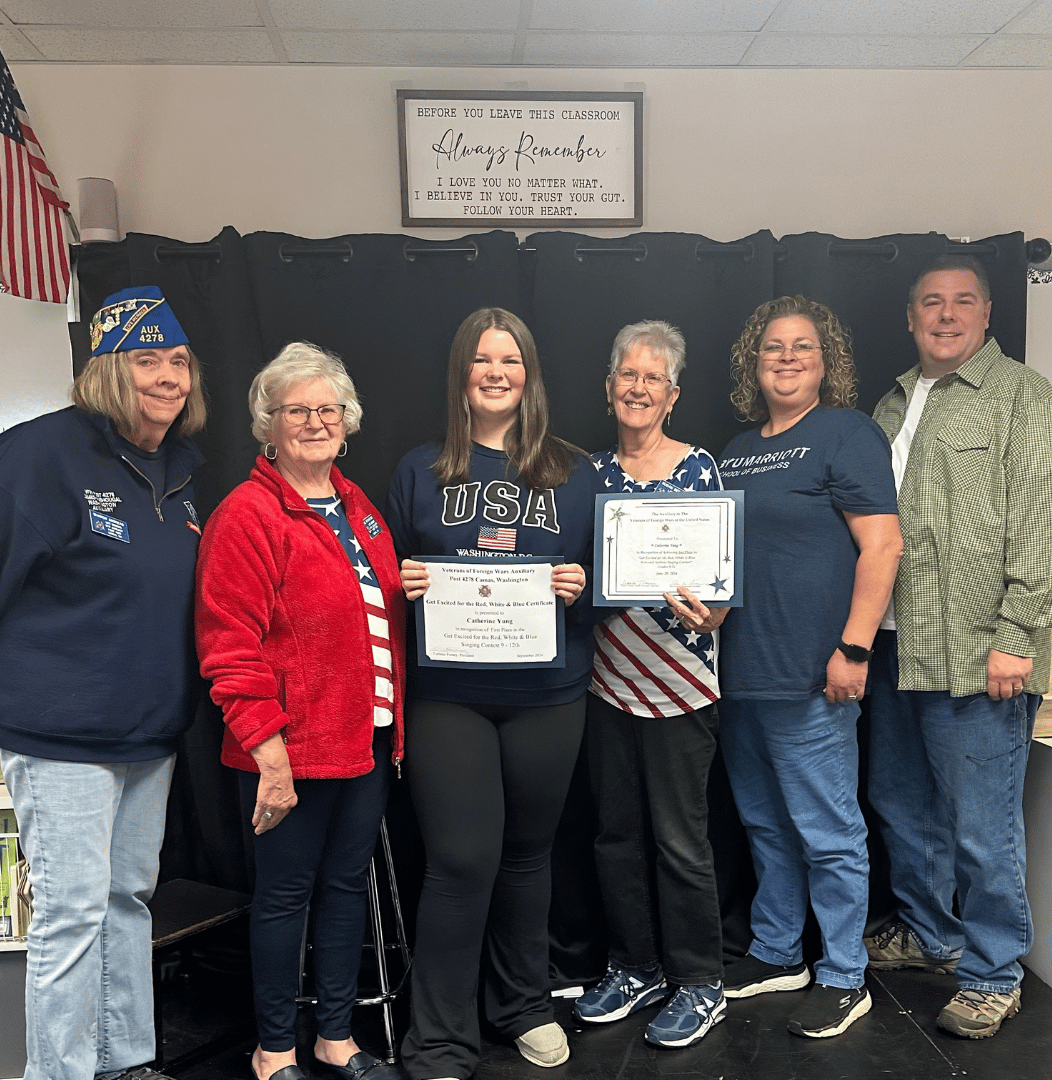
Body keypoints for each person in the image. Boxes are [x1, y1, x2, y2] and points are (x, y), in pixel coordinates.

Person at [0, 287, 206, 1080]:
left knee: (124, 904)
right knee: (71, 916)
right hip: (59, 733)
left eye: (179, 361)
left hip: (147, 734)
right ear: (107, 368)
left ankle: (126, 1062)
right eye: (149, 360)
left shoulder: (178, 475)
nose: (170, 377)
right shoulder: (39, 454)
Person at [385, 308, 597, 1080]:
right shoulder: (420, 468)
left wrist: (586, 585)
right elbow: (386, 574)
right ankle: (439, 1036)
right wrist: (404, 579)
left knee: (528, 857)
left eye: (510, 359)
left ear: (530, 374)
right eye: (482, 359)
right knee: (460, 858)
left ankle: (522, 1006)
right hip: (450, 694)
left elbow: (610, 576)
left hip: (549, 691)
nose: (496, 371)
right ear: (461, 373)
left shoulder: (576, 470)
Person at [195, 343, 406, 1080]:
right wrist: (270, 758)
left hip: (367, 740)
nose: (315, 422)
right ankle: (274, 1048)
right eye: (297, 411)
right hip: (290, 752)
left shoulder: (359, 508)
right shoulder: (247, 515)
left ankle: (336, 1038)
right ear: (268, 425)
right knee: (285, 899)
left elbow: (373, 611)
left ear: (346, 422)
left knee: (348, 889)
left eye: (327, 410)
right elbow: (229, 648)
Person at [864, 255, 1052, 1039]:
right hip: (893, 644)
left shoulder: (1023, 397)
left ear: (986, 314)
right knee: (901, 803)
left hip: (981, 650)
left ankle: (993, 969)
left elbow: (1040, 524)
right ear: (911, 318)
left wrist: (1018, 635)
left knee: (981, 822)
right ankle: (934, 935)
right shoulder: (891, 402)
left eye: (962, 302)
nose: (946, 315)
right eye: (931, 303)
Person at [715, 296, 902, 1038]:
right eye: (772, 349)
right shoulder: (733, 450)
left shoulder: (846, 434)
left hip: (814, 674)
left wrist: (854, 647)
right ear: (751, 365)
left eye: (802, 348)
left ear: (828, 362)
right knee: (763, 823)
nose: (786, 358)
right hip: (737, 675)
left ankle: (844, 974)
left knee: (828, 832)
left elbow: (882, 547)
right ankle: (775, 952)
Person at [572, 320, 727, 1048]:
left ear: (673, 394)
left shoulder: (697, 468)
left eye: (652, 379)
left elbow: (723, 584)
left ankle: (700, 981)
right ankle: (634, 967)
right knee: (615, 836)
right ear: (610, 390)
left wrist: (717, 605)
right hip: (606, 682)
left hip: (682, 686)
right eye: (626, 376)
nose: (638, 388)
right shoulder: (586, 474)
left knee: (680, 841)